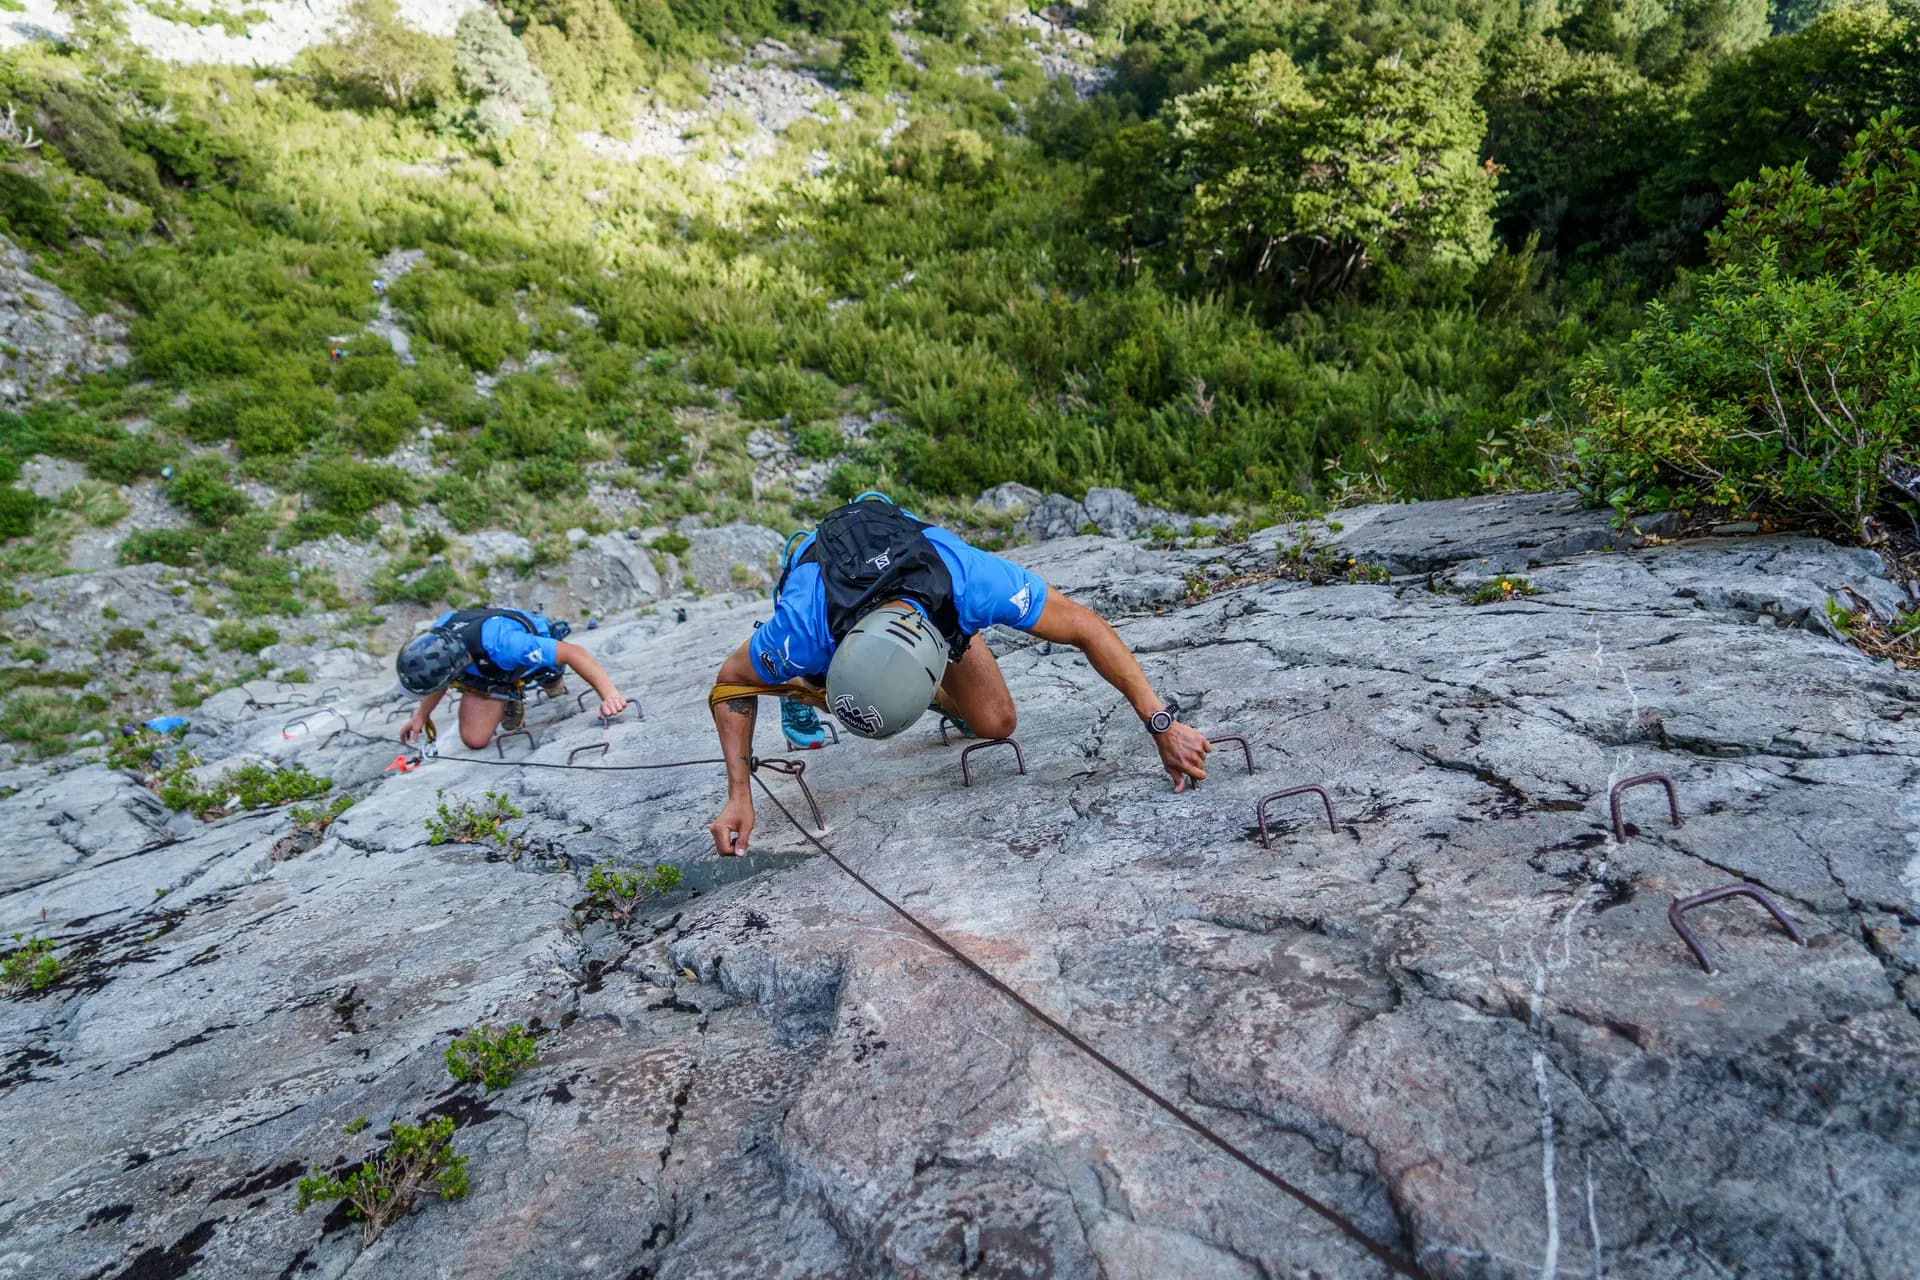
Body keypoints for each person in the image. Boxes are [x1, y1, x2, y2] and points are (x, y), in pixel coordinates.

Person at [706, 495, 1212, 856]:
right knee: (793, 674)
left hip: (931, 603)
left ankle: (931, 672)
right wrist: (739, 794)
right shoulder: (802, 628)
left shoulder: (972, 580)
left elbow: (1086, 627)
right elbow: (730, 684)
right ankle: (800, 687)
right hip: (828, 596)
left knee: (995, 723)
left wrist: (1161, 724)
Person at [396, 606, 628, 750]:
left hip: (512, 647)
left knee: (548, 671)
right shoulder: (439, 636)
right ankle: (503, 693)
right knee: (474, 739)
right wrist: (421, 715)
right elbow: (440, 676)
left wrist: (609, 695)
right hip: (480, 665)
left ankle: (544, 674)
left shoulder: (506, 645)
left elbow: (573, 652)